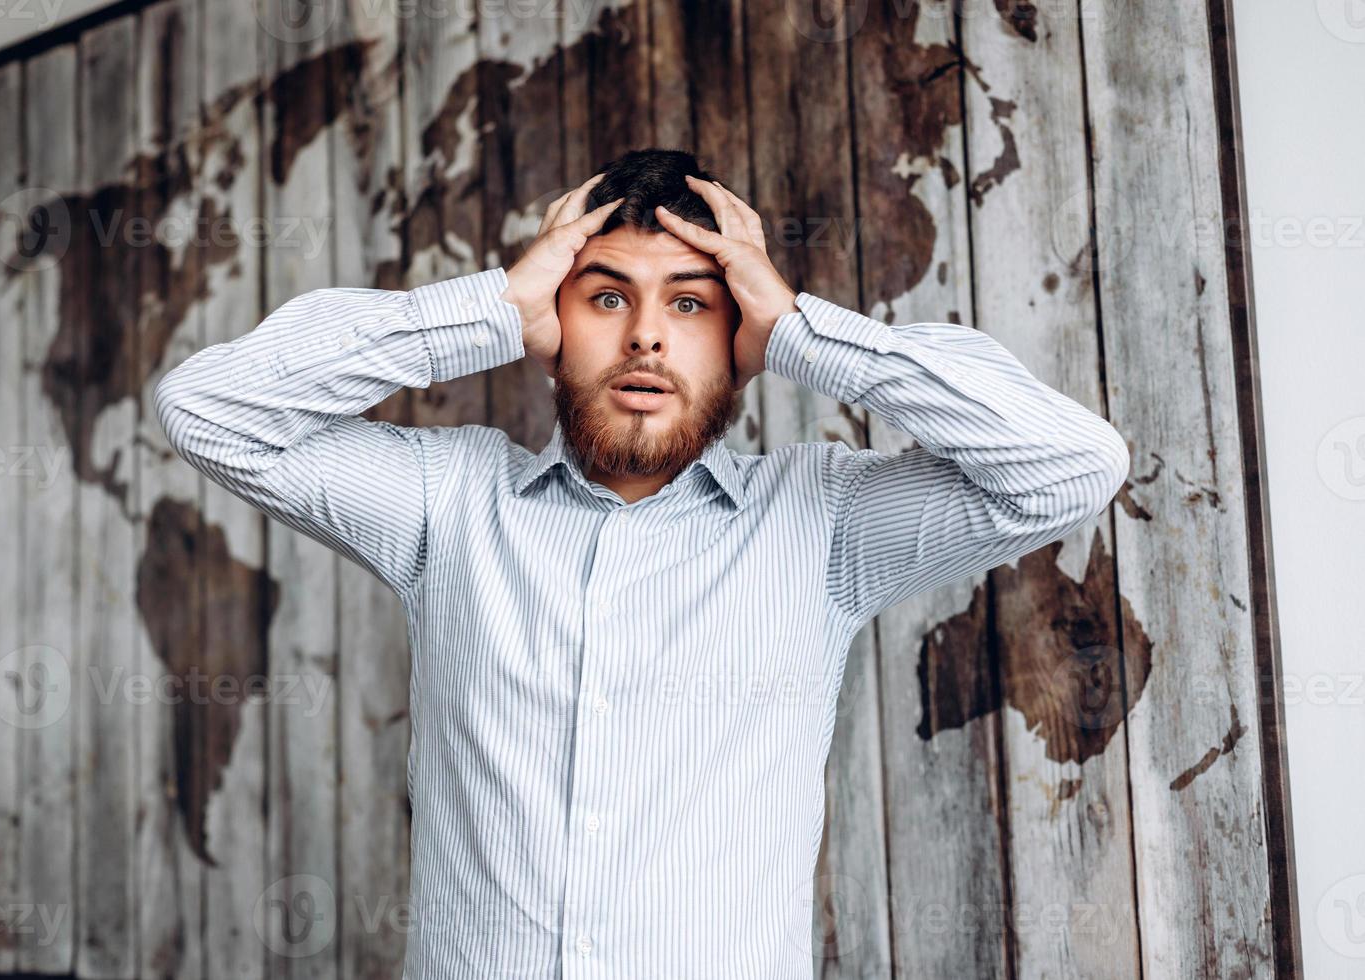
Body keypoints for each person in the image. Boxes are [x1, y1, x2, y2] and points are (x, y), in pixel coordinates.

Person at [154, 147, 1130, 978]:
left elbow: (1071, 464)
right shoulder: (445, 503)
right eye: (607, 295)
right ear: (552, 327)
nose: (647, 334)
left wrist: (800, 329)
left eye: (693, 304)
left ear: (740, 341)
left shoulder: (825, 519)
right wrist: (490, 306)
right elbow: (209, 408)